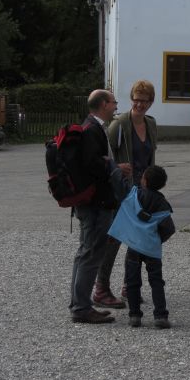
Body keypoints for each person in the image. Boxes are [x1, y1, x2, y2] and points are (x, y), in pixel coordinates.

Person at [92, 80, 157, 308]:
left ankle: (129, 286)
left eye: (144, 100)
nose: (139, 104)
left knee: (137, 240)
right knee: (114, 240)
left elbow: (150, 158)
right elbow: (103, 156)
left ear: (151, 102)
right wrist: (117, 168)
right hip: (121, 192)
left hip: (143, 192)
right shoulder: (119, 124)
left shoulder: (151, 124)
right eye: (136, 99)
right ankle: (101, 288)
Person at [69, 89, 123, 324]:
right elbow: (92, 165)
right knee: (91, 255)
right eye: (113, 102)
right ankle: (81, 308)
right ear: (103, 104)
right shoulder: (93, 129)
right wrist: (114, 167)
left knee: (85, 253)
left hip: (90, 203)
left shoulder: (91, 126)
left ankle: (78, 303)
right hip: (96, 204)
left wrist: (109, 164)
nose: (116, 106)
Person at [107, 164, 175, 328]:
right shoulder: (163, 204)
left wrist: (115, 168)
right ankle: (160, 316)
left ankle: (135, 315)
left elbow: (118, 184)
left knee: (132, 281)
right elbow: (169, 229)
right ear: (163, 185)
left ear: (144, 180)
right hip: (152, 249)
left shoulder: (133, 195)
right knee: (156, 281)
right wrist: (158, 239)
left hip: (134, 246)